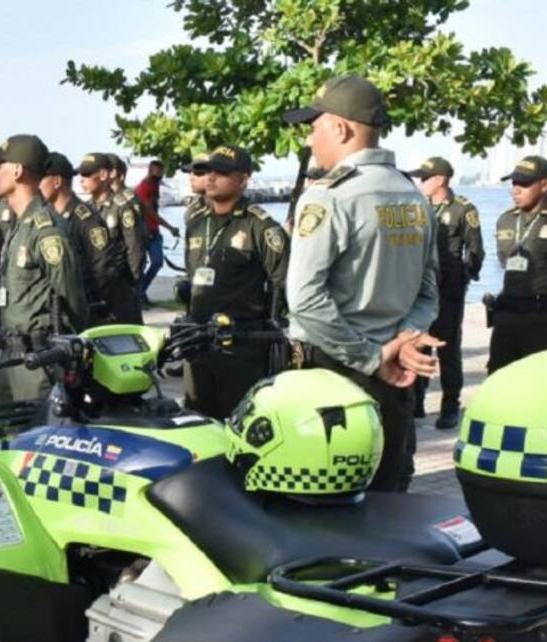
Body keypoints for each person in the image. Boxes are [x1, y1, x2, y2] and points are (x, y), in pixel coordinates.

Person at [283, 75, 440, 492]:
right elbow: (428, 289)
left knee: (326, 501)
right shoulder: (414, 196)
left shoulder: (329, 197)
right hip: (398, 374)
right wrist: (404, 341)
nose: (310, 140)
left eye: (314, 127)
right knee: (389, 496)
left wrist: (372, 357)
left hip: (336, 375)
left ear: (341, 128)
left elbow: (304, 299)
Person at [180, 145, 289, 419]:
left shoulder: (261, 227)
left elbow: (283, 283)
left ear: (243, 179)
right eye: (210, 171)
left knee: (241, 422)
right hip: (198, 342)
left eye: (223, 172)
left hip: (241, 346)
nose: (212, 177)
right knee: (197, 420)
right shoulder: (196, 222)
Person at [0, 135, 87, 403]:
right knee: (9, 436)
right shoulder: (22, 225)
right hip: (11, 355)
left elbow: (73, 299)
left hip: (39, 362)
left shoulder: (46, 230)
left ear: (17, 171)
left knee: (36, 437)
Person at [407, 156, 484, 429]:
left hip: (448, 291)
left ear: (440, 179)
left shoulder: (463, 209)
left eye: (425, 178)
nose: (421, 182)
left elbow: (475, 251)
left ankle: (450, 405)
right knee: (417, 343)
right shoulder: (417, 207)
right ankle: (415, 402)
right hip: (420, 289)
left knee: (448, 349)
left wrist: (461, 277)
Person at [39, 152, 116, 323]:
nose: (37, 185)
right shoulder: (48, 216)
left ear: (57, 181)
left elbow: (103, 268)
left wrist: (94, 307)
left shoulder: (85, 219)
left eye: (41, 179)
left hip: (87, 309)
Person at [487, 155, 547, 374]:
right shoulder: (506, 219)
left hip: (540, 317)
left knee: (537, 383)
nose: (516, 189)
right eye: (514, 183)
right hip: (506, 315)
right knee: (497, 376)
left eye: (524, 183)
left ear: (544, 184)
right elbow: (504, 261)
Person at [78, 153, 140, 324]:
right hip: (95, 287)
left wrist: (132, 285)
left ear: (104, 175)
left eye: (87, 174)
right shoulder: (85, 209)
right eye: (81, 175)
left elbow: (135, 248)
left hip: (120, 286)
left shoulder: (121, 207)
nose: (82, 179)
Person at [133, 158, 180, 303]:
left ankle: (142, 290)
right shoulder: (143, 188)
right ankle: (139, 294)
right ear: (151, 171)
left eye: (162, 172)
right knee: (140, 266)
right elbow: (150, 212)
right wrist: (170, 227)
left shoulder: (155, 185)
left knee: (158, 262)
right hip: (143, 232)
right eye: (159, 172)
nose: (161, 175)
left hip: (154, 231)